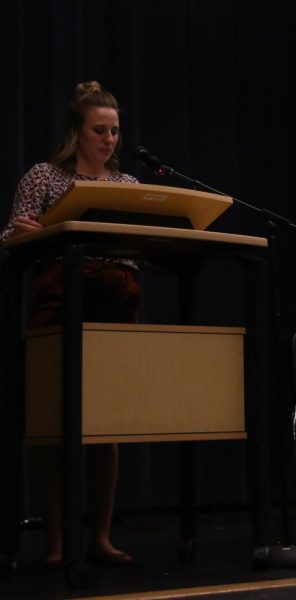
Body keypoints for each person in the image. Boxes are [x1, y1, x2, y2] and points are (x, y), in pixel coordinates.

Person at [1, 81, 139, 565]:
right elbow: (11, 236)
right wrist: (19, 232)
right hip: (59, 299)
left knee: (107, 427)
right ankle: (56, 543)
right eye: (99, 130)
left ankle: (99, 537)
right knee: (53, 424)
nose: (109, 139)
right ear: (76, 133)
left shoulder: (127, 186)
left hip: (115, 303)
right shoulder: (44, 177)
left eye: (115, 131)